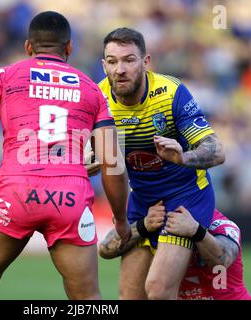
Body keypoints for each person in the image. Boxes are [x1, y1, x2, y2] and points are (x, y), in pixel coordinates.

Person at [0, 11, 131, 300]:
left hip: (15, 192)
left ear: (29, 47)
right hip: (70, 198)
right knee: (89, 299)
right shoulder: (93, 90)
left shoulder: (4, 75)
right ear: (69, 48)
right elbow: (112, 163)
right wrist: (120, 219)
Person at [93, 27, 226, 299]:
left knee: (157, 289)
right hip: (142, 201)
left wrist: (183, 157)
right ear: (103, 64)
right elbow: (91, 158)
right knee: (130, 296)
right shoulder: (98, 98)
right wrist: (91, 159)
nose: (120, 69)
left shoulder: (170, 92)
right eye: (112, 61)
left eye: (129, 60)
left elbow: (216, 150)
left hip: (185, 198)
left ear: (146, 62)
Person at [99, 204, 251, 300]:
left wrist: (196, 232)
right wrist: (142, 225)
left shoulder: (220, 225)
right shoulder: (154, 222)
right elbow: (105, 249)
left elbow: (223, 259)